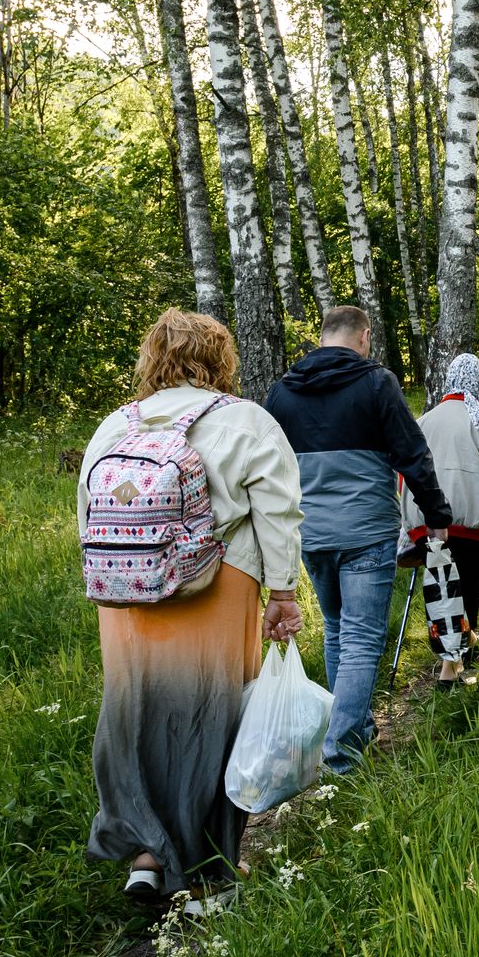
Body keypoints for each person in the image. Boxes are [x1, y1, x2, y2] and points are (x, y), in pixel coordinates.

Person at [79, 309, 304, 912]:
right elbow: (278, 514)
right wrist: (282, 594)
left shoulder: (114, 427)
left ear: (151, 360)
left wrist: (115, 581)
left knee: (134, 715)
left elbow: (88, 517)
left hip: (125, 592)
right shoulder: (245, 421)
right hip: (216, 581)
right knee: (212, 715)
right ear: (219, 359)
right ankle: (205, 872)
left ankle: (145, 858)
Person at [265, 305, 451, 774]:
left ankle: (353, 725)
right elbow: (413, 453)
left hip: (309, 531)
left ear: (324, 336)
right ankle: (342, 750)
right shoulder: (376, 383)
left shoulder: (283, 392)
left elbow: (267, 469)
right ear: (364, 336)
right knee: (363, 637)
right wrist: (437, 514)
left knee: (337, 628)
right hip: (367, 529)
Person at [400, 353, 479, 682]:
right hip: (471, 525)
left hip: (426, 522)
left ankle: (464, 645)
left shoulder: (422, 422)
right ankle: (450, 673)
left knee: (442, 590)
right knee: (466, 593)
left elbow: (404, 477)